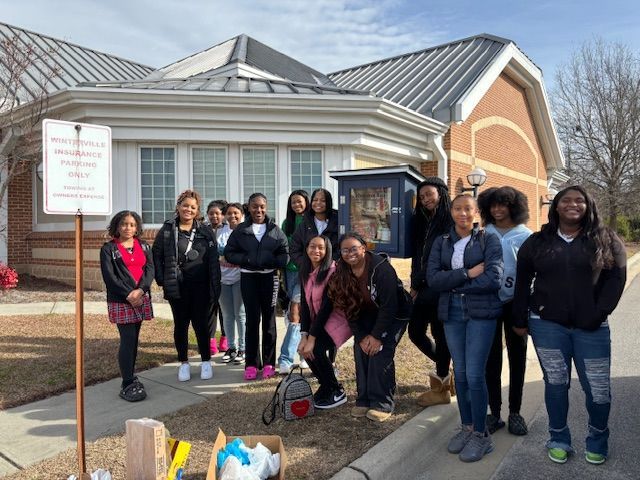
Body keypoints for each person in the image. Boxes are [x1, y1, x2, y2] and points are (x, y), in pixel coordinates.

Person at [512, 185, 626, 465]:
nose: (573, 205)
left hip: (593, 328)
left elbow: (616, 279)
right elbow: (523, 279)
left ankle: (598, 439)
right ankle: (559, 438)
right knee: (556, 384)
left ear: (588, 206)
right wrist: (519, 317)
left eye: (579, 201)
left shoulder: (606, 239)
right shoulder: (539, 241)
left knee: (598, 389)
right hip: (547, 326)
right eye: (566, 200)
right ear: (556, 206)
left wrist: (599, 313)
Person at [427, 194, 503, 462]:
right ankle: (467, 427)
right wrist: (467, 274)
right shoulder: (442, 241)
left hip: (481, 313)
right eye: (457, 208)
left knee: (474, 374)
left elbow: (493, 277)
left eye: (467, 209)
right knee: (459, 373)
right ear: (451, 211)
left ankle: (482, 436)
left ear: (476, 212)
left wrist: (454, 285)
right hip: (452, 312)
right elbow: (433, 280)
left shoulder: (488, 239)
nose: (462, 213)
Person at [327, 232, 409, 422]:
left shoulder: (382, 269)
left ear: (364, 248)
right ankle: (364, 398)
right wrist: (362, 336)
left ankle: (382, 402)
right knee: (361, 350)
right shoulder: (342, 271)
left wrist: (377, 336)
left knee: (380, 351)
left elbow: (389, 307)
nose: (350, 254)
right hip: (365, 315)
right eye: (345, 250)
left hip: (394, 314)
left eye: (354, 248)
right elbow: (347, 307)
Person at [477, 186, 532, 436]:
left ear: (514, 206)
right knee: (491, 359)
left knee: (517, 358)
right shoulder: (482, 233)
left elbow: (532, 275)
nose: (497, 209)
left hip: (515, 304)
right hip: (488, 303)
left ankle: (515, 412)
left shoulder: (526, 236)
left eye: (503, 204)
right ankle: (495, 412)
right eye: (493, 205)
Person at [152, 190, 221, 382]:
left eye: (192, 207)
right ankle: (183, 363)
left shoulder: (205, 231)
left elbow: (213, 260)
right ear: (178, 207)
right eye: (185, 205)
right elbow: (156, 254)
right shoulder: (168, 229)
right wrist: (161, 279)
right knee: (181, 326)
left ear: (197, 210)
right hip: (178, 287)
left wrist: (215, 285)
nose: (188, 209)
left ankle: (206, 361)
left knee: (201, 325)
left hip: (201, 287)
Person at [224, 193, 289, 381]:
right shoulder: (241, 230)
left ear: (266, 207)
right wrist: (247, 260)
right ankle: (251, 364)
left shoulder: (275, 230)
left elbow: (285, 253)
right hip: (248, 278)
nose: (258, 210)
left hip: (269, 279)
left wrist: (271, 261)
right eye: (254, 206)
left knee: (269, 321)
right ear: (249, 208)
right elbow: (229, 252)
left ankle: (269, 363)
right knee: (252, 321)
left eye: (261, 206)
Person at [408, 177, 455, 408]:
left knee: (440, 333)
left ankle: (441, 387)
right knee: (415, 332)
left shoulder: (449, 221)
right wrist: (413, 282)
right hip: (422, 286)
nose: (425, 199)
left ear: (441, 193)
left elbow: (437, 259)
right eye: (422, 196)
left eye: (429, 194)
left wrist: (417, 282)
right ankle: (447, 372)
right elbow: (419, 256)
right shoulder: (422, 221)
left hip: (439, 287)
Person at [100, 210, 154, 402]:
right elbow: (110, 277)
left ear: (137, 227)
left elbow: (149, 270)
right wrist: (129, 294)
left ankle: (131, 376)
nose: (128, 228)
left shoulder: (144, 246)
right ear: (117, 226)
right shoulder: (108, 249)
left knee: (135, 339)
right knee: (128, 339)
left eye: (132, 225)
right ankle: (127, 382)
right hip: (121, 299)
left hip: (140, 297)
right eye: (124, 224)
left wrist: (141, 290)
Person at [298, 235, 348, 409]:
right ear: (306, 248)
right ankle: (326, 385)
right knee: (305, 350)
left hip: (338, 319)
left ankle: (336, 390)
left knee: (316, 349)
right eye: (313, 246)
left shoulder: (333, 271)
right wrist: (304, 335)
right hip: (318, 321)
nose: (316, 251)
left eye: (321, 248)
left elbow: (327, 307)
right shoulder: (305, 271)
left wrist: (312, 338)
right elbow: (304, 305)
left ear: (327, 251)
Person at [279, 190, 310, 374]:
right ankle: (304, 355)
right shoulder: (286, 223)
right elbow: (284, 246)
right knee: (297, 313)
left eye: (299, 201)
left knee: (296, 312)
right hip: (290, 272)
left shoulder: (311, 222)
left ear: (306, 202)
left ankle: (286, 358)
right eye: (293, 203)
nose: (296, 205)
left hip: (307, 272)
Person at [216, 202, 247, 365]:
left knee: (240, 314)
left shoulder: (245, 231)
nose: (232, 216)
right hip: (222, 279)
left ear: (241, 214)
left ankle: (243, 348)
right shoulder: (220, 231)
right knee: (227, 315)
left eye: (236, 213)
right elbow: (216, 253)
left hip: (239, 278)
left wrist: (226, 255)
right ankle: (231, 347)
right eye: (229, 213)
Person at [290, 188, 339, 264]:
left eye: (323, 200)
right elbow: (294, 249)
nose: (318, 203)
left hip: (332, 270)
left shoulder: (338, 223)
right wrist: (308, 265)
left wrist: (329, 264)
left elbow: (341, 248)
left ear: (329, 203)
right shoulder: (304, 224)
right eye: (315, 200)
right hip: (309, 271)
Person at [206, 200, 229, 355]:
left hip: (225, 275)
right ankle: (210, 339)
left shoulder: (229, 230)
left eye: (218, 213)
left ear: (223, 215)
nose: (214, 216)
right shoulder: (202, 229)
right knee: (209, 308)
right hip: (207, 275)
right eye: (211, 213)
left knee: (224, 309)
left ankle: (226, 338)